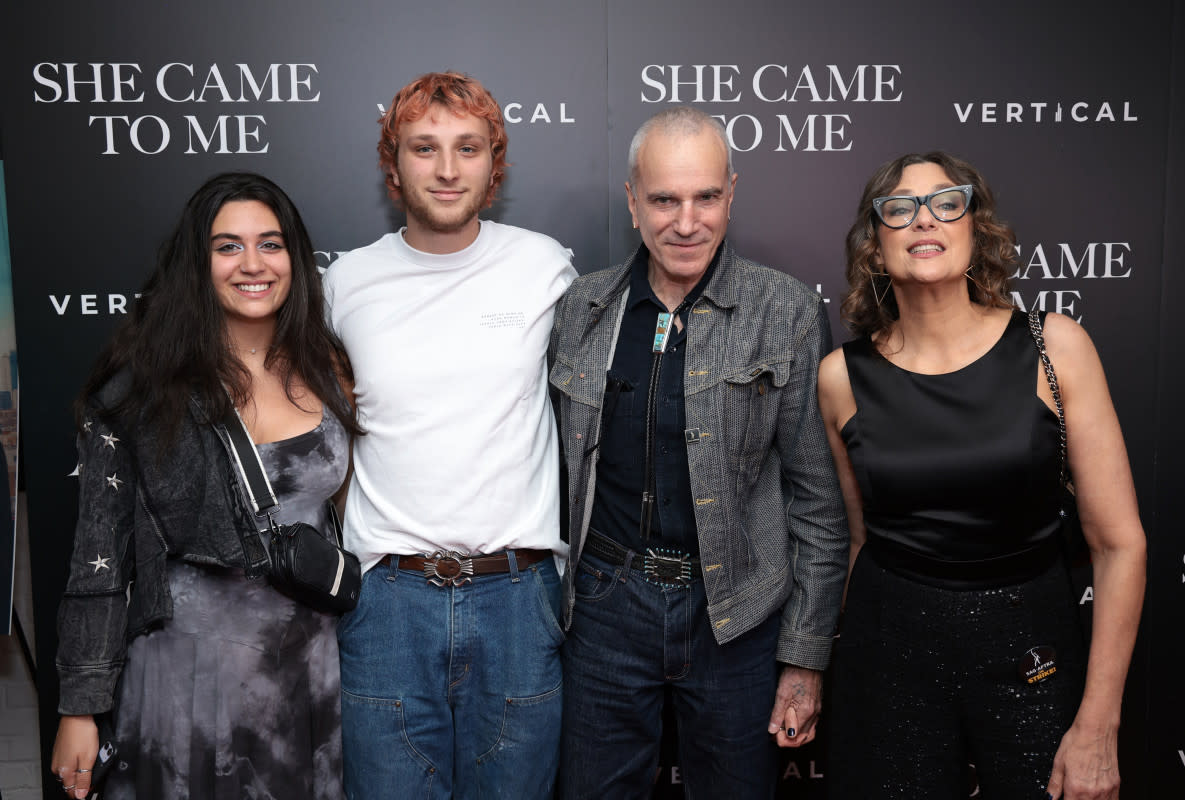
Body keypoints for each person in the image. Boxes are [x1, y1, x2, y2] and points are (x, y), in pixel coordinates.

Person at [819, 152, 1146, 799]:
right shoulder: (840, 377)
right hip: (889, 656)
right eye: (899, 208)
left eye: (946, 202)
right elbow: (860, 542)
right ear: (875, 247)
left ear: (976, 228)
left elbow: (1119, 545)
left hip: (1031, 648)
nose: (923, 220)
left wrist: (1098, 726)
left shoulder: (1054, 348)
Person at [549, 106, 848, 798]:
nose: (686, 222)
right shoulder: (583, 309)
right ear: (632, 202)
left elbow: (816, 504)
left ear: (730, 194)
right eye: (663, 199)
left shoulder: (787, 311)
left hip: (736, 613)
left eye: (705, 197)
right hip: (603, 607)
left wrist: (803, 659)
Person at [50, 171, 361, 799]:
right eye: (228, 246)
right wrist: (79, 708)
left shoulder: (329, 367)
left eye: (271, 244)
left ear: (295, 259)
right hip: (184, 677)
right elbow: (96, 561)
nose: (253, 264)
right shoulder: (142, 389)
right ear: (198, 263)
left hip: (310, 667)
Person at [323, 71, 576, 799]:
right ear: (392, 164)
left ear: (493, 164)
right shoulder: (346, 282)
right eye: (423, 148)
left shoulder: (545, 266)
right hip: (387, 605)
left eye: (467, 148)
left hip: (519, 598)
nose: (445, 169)